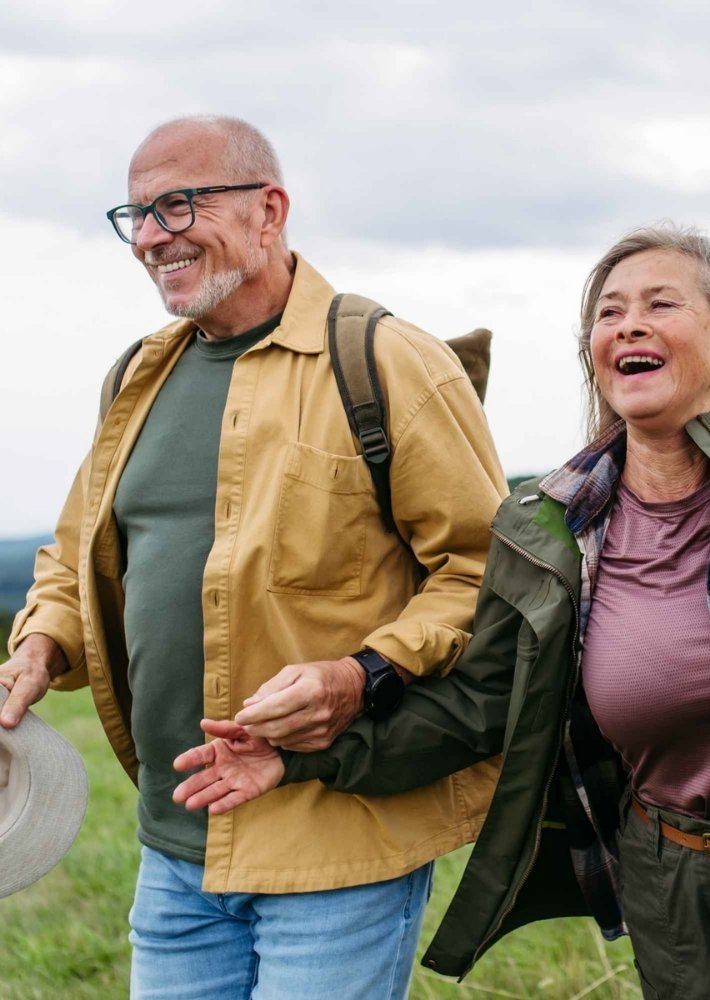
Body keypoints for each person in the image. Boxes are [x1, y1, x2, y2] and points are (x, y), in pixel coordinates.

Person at [204, 224, 710, 1000]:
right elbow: (479, 708)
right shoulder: (548, 527)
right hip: (671, 887)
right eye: (609, 312)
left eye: (660, 305)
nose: (629, 326)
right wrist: (301, 755)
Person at [0, 114, 507, 1000]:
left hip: (335, 841)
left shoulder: (386, 358)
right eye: (137, 215)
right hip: (174, 846)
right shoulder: (138, 376)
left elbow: (484, 571)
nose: (153, 236)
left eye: (179, 204)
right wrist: (43, 641)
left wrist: (363, 673)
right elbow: (78, 550)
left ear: (269, 210)